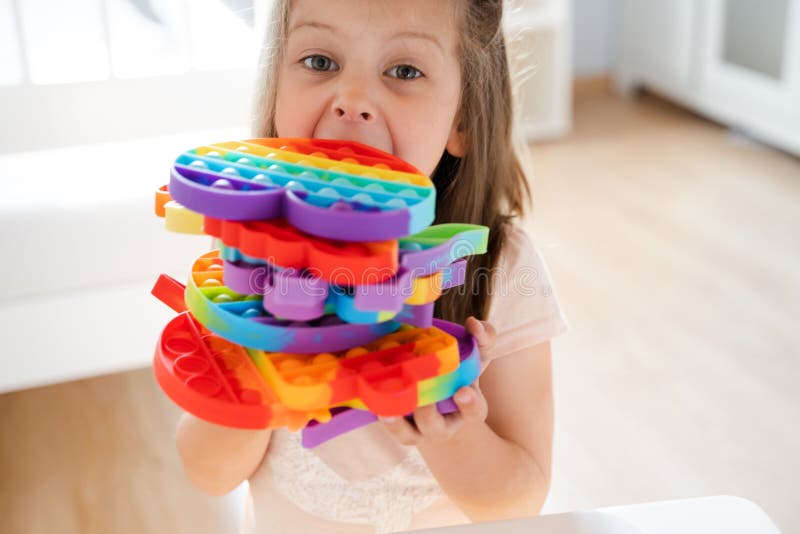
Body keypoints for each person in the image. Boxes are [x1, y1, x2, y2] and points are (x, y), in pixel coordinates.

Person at [176, 1, 567, 532]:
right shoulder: (249, 256)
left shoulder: (498, 267)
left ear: (463, 119)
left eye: (404, 71)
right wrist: (261, 369)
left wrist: (452, 435)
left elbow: (520, 500)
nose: (353, 100)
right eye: (319, 61)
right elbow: (207, 472)